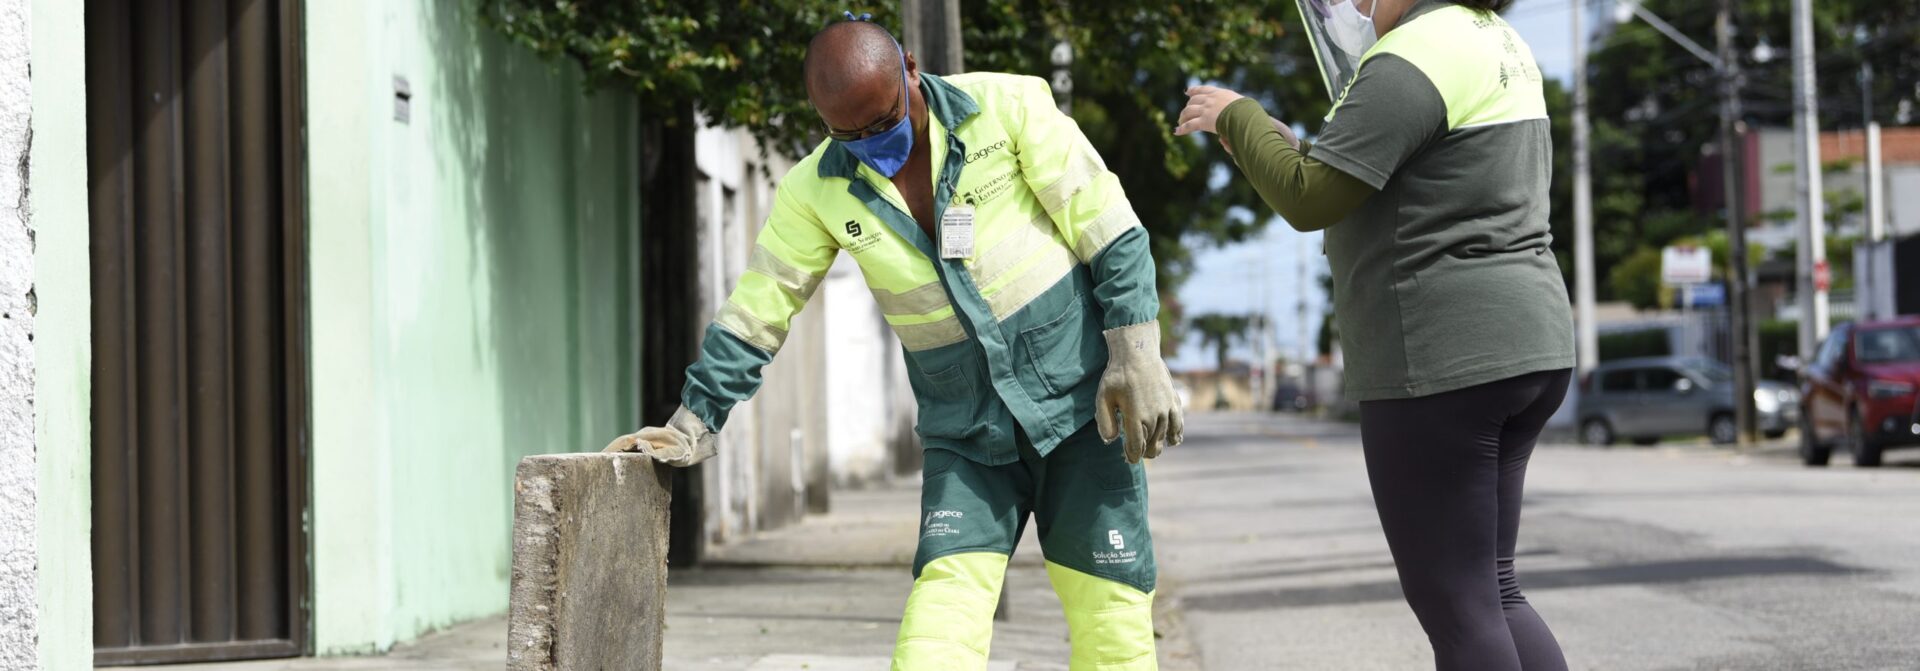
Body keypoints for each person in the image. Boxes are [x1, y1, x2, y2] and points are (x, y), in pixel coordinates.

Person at [605, 15, 1181, 671]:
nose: (873, 144)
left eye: (882, 122)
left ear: (910, 68)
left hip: (1084, 411)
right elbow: (761, 306)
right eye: (846, 134)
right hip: (968, 435)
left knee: (1112, 626)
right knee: (936, 636)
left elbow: (1108, 226)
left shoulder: (1009, 105)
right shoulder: (814, 188)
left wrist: (1136, 350)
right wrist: (693, 419)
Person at [1173, 1, 1574, 670]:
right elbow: (1388, 183)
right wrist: (1277, 147)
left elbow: (1309, 198)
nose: (1355, 4)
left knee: (1458, 607)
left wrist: (1235, 115)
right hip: (1525, 341)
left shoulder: (1413, 52)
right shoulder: (1495, 40)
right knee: (1493, 590)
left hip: (1441, 353)